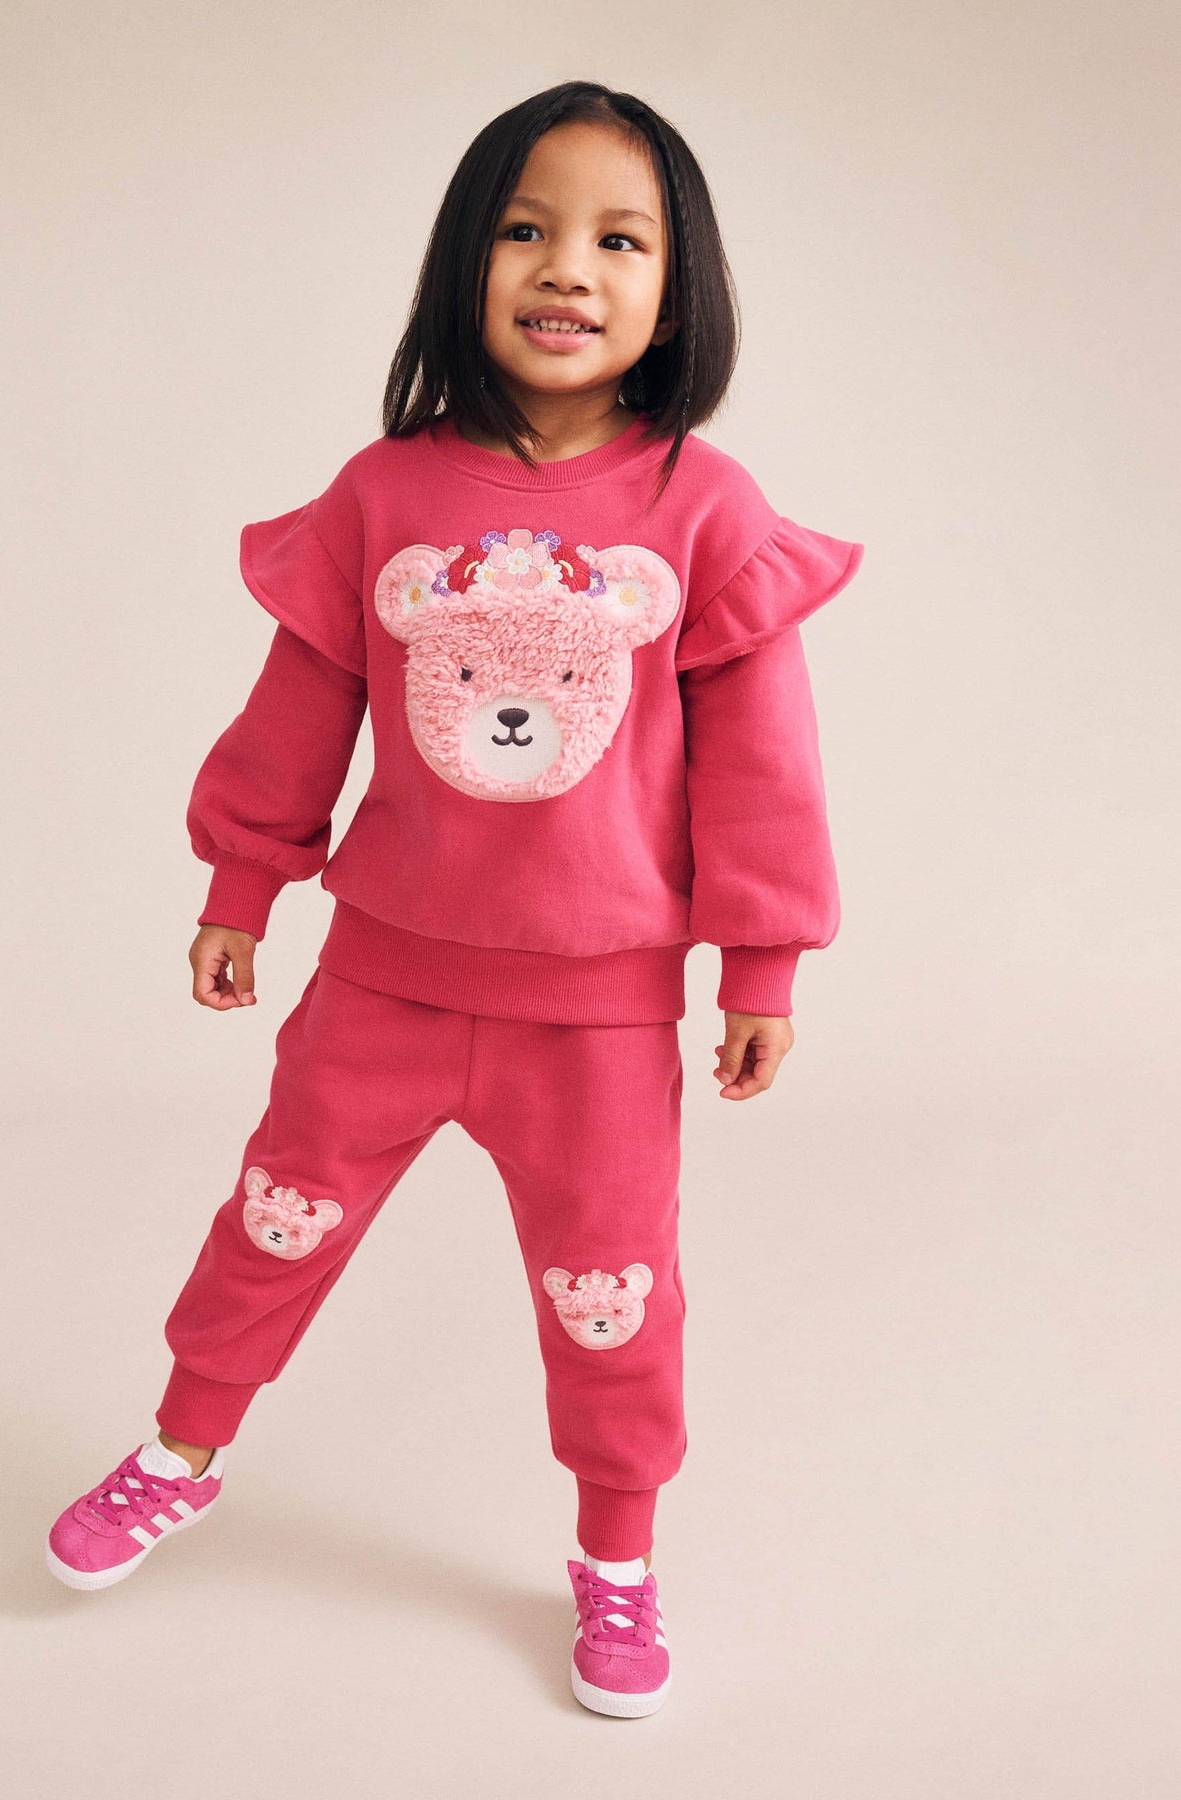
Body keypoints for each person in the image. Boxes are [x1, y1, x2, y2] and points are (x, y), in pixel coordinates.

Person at [44, 80, 863, 1720]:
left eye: (618, 240)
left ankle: (616, 1555)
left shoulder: (702, 509)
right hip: (380, 987)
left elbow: (761, 767)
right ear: (462, 261)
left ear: (675, 288)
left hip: (598, 1017)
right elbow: (301, 705)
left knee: (612, 1294)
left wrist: (760, 968)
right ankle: (182, 1450)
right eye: (524, 229)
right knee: (272, 1224)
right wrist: (241, 883)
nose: (566, 268)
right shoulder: (384, 493)